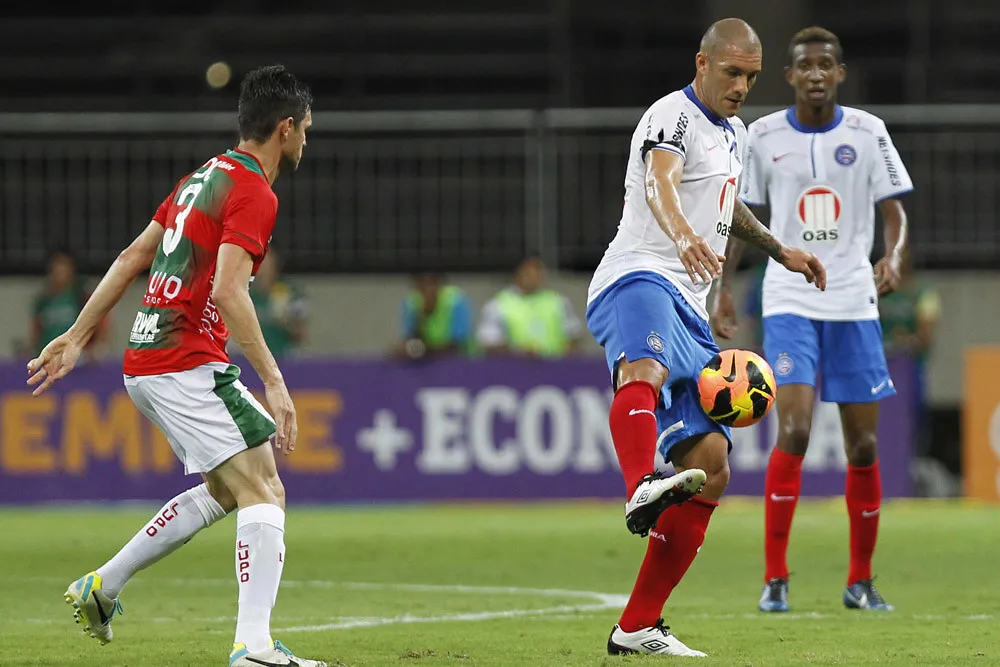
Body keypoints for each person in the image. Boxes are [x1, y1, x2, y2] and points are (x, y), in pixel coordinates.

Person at [27, 66, 327, 667]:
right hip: (183, 356)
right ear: (286, 128)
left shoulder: (202, 178)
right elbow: (229, 292)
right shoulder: (254, 192)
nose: (308, 137)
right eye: (307, 126)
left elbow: (135, 254)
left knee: (227, 488)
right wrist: (274, 380)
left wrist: (78, 334)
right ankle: (254, 648)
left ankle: (103, 586)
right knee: (265, 489)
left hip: (149, 356)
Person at [586, 19, 825, 657]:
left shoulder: (735, 133)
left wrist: (781, 250)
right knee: (645, 372)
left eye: (751, 75)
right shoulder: (671, 116)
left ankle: (636, 626)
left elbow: (726, 207)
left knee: (712, 468)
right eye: (732, 72)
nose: (742, 85)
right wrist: (683, 236)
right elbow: (663, 181)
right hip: (638, 275)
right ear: (702, 62)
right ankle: (640, 481)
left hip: (689, 304)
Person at [712, 26, 913, 614]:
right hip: (789, 297)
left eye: (827, 64)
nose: (817, 74)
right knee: (794, 431)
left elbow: (893, 210)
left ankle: (861, 581)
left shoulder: (868, 132)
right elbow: (738, 220)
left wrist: (893, 257)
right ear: (791, 76)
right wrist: (724, 290)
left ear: (840, 74)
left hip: (853, 299)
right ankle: (775, 578)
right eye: (807, 66)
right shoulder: (763, 135)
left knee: (865, 445)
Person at [477, 255, 582, 358]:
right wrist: (519, 353)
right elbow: (489, 342)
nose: (534, 277)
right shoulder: (498, 304)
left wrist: (562, 357)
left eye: (538, 272)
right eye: (529, 273)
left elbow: (574, 335)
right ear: (517, 273)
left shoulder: (558, 302)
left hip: (555, 368)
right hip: (514, 369)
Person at [30, 248, 109, 360]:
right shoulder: (43, 300)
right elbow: (36, 330)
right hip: (49, 357)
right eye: (56, 266)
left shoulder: (81, 295)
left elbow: (100, 322)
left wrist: (97, 349)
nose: (59, 271)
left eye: (64, 267)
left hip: (77, 359)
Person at [395, 272, 474, 359]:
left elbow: (459, 345)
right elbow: (412, 340)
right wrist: (421, 317)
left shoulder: (456, 300)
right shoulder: (411, 303)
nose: (426, 289)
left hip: (459, 361)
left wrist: (423, 350)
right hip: (427, 362)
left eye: (430, 284)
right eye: (421, 284)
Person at [249, 249, 308, 358]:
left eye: (267, 261)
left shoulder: (292, 293)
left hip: (285, 358)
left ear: (275, 262)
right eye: (260, 261)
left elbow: (300, 333)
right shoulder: (245, 294)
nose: (263, 267)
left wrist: (285, 319)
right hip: (253, 360)